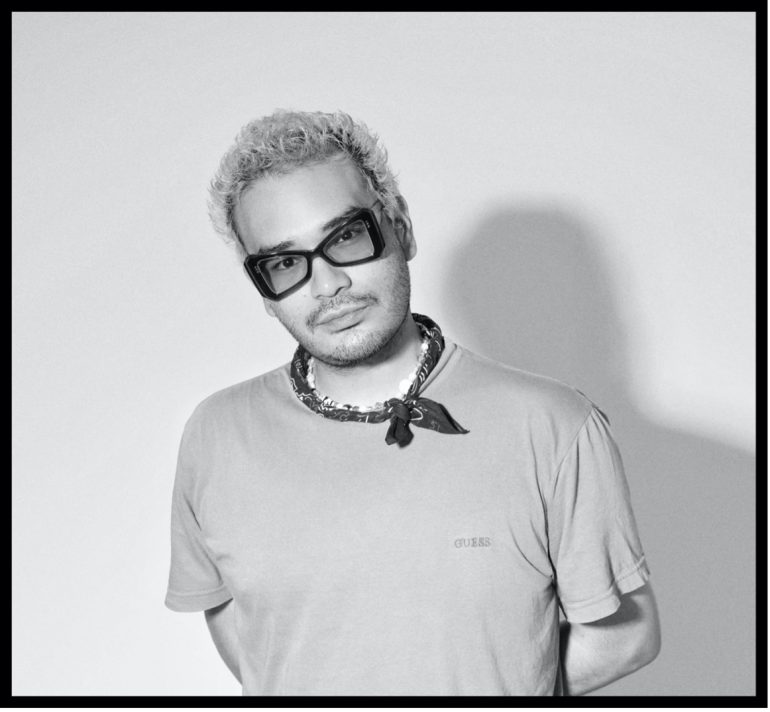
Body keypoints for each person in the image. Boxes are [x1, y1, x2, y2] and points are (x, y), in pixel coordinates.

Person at [165, 109, 661, 696]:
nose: (328, 285)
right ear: (265, 290)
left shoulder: (552, 425)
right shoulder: (217, 435)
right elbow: (244, 631)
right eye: (285, 263)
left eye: (346, 237)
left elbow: (625, 636)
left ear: (399, 227)